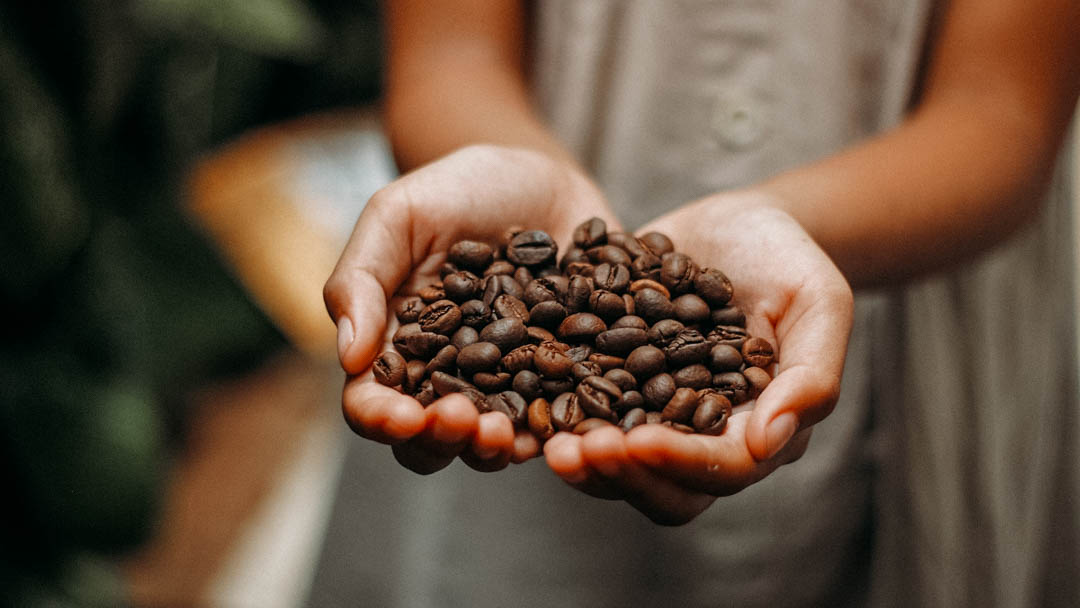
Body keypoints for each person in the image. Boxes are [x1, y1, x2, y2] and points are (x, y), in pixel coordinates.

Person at [321, 1, 1080, 605]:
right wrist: (505, 170)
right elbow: (450, 58)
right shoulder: (521, 318)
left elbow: (1002, 116)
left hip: (917, 335)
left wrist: (788, 220)